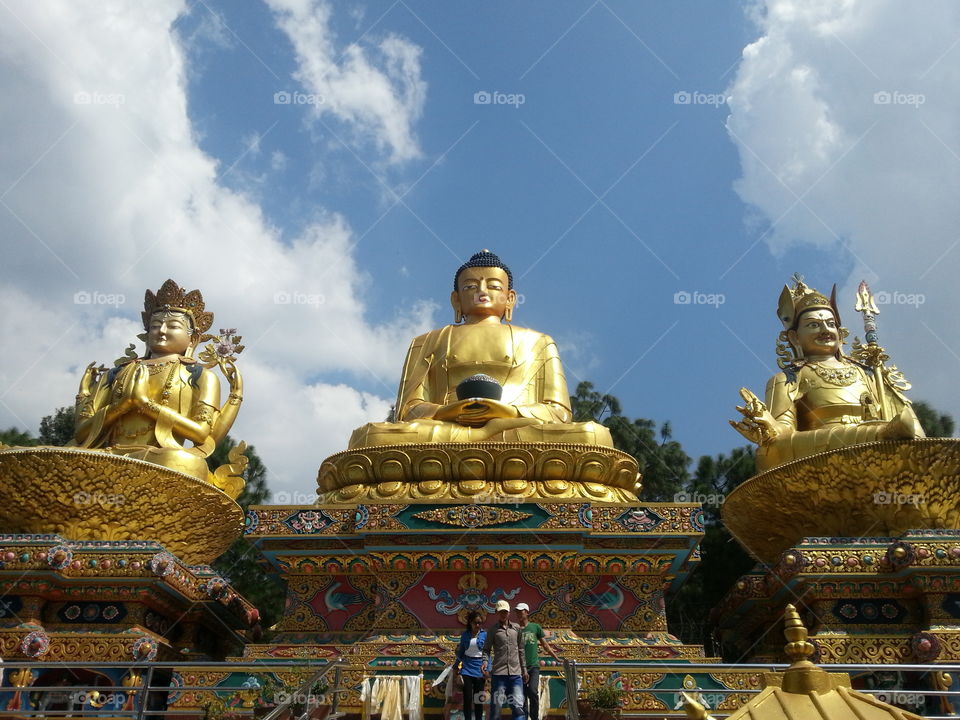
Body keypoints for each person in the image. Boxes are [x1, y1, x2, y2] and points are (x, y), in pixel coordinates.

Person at [348, 250, 612, 447]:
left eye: (494, 286)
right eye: (470, 286)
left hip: (514, 429)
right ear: (456, 299)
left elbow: (558, 412)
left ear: (510, 298)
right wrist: (446, 411)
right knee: (371, 437)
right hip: (444, 430)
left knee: (591, 437)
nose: (482, 291)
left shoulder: (539, 341)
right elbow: (407, 411)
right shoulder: (427, 340)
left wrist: (508, 411)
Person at [731, 276, 923, 472]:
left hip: (886, 447)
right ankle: (876, 437)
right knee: (772, 450)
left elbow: (909, 425)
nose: (825, 330)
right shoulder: (788, 379)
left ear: (840, 334)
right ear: (794, 337)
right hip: (825, 456)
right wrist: (768, 427)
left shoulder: (870, 374)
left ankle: (879, 437)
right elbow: (781, 436)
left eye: (831, 324)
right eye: (813, 325)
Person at [71, 280, 243, 486]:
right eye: (154, 326)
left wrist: (145, 405)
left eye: (173, 326)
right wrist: (121, 406)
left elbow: (200, 433)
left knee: (186, 463)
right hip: (106, 454)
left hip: (159, 458)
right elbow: (81, 432)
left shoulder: (200, 376)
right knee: (51, 455)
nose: (161, 330)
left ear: (193, 339)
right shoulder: (118, 372)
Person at [514, 602, 561, 720]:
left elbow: (545, 645)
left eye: (521, 611)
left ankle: (534, 717)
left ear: (527, 612)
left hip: (533, 666)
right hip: (519, 667)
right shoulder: (515, 629)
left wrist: (556, 657)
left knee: (532, 691)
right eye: (517, 611)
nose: (519, 613)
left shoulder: (535, 627)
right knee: (522, 695)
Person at [482, 599, 526, 720]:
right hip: (499, 674)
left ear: (509, 613)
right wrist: (485, 662)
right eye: (501, 612)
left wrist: (525, 670)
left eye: (505, 612)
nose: (503, 614)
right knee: (496, 707)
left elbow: (521, 650)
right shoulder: (493, 630)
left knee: (518, 707)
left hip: (516, 674)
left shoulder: (516, 629)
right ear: (497, 612)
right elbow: (486, 649)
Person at [455, 610, 488, 720]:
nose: (477, 625)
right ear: (470, 622)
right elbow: (461, 652)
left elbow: (487, 652)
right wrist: (455, 666)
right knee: (468, 698)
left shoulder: (484, 635)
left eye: (480, 623)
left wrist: (488, 667)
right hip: (466, 668)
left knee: (478, 699)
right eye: (475, 622)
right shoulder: (465, 635)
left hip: (479, 668)